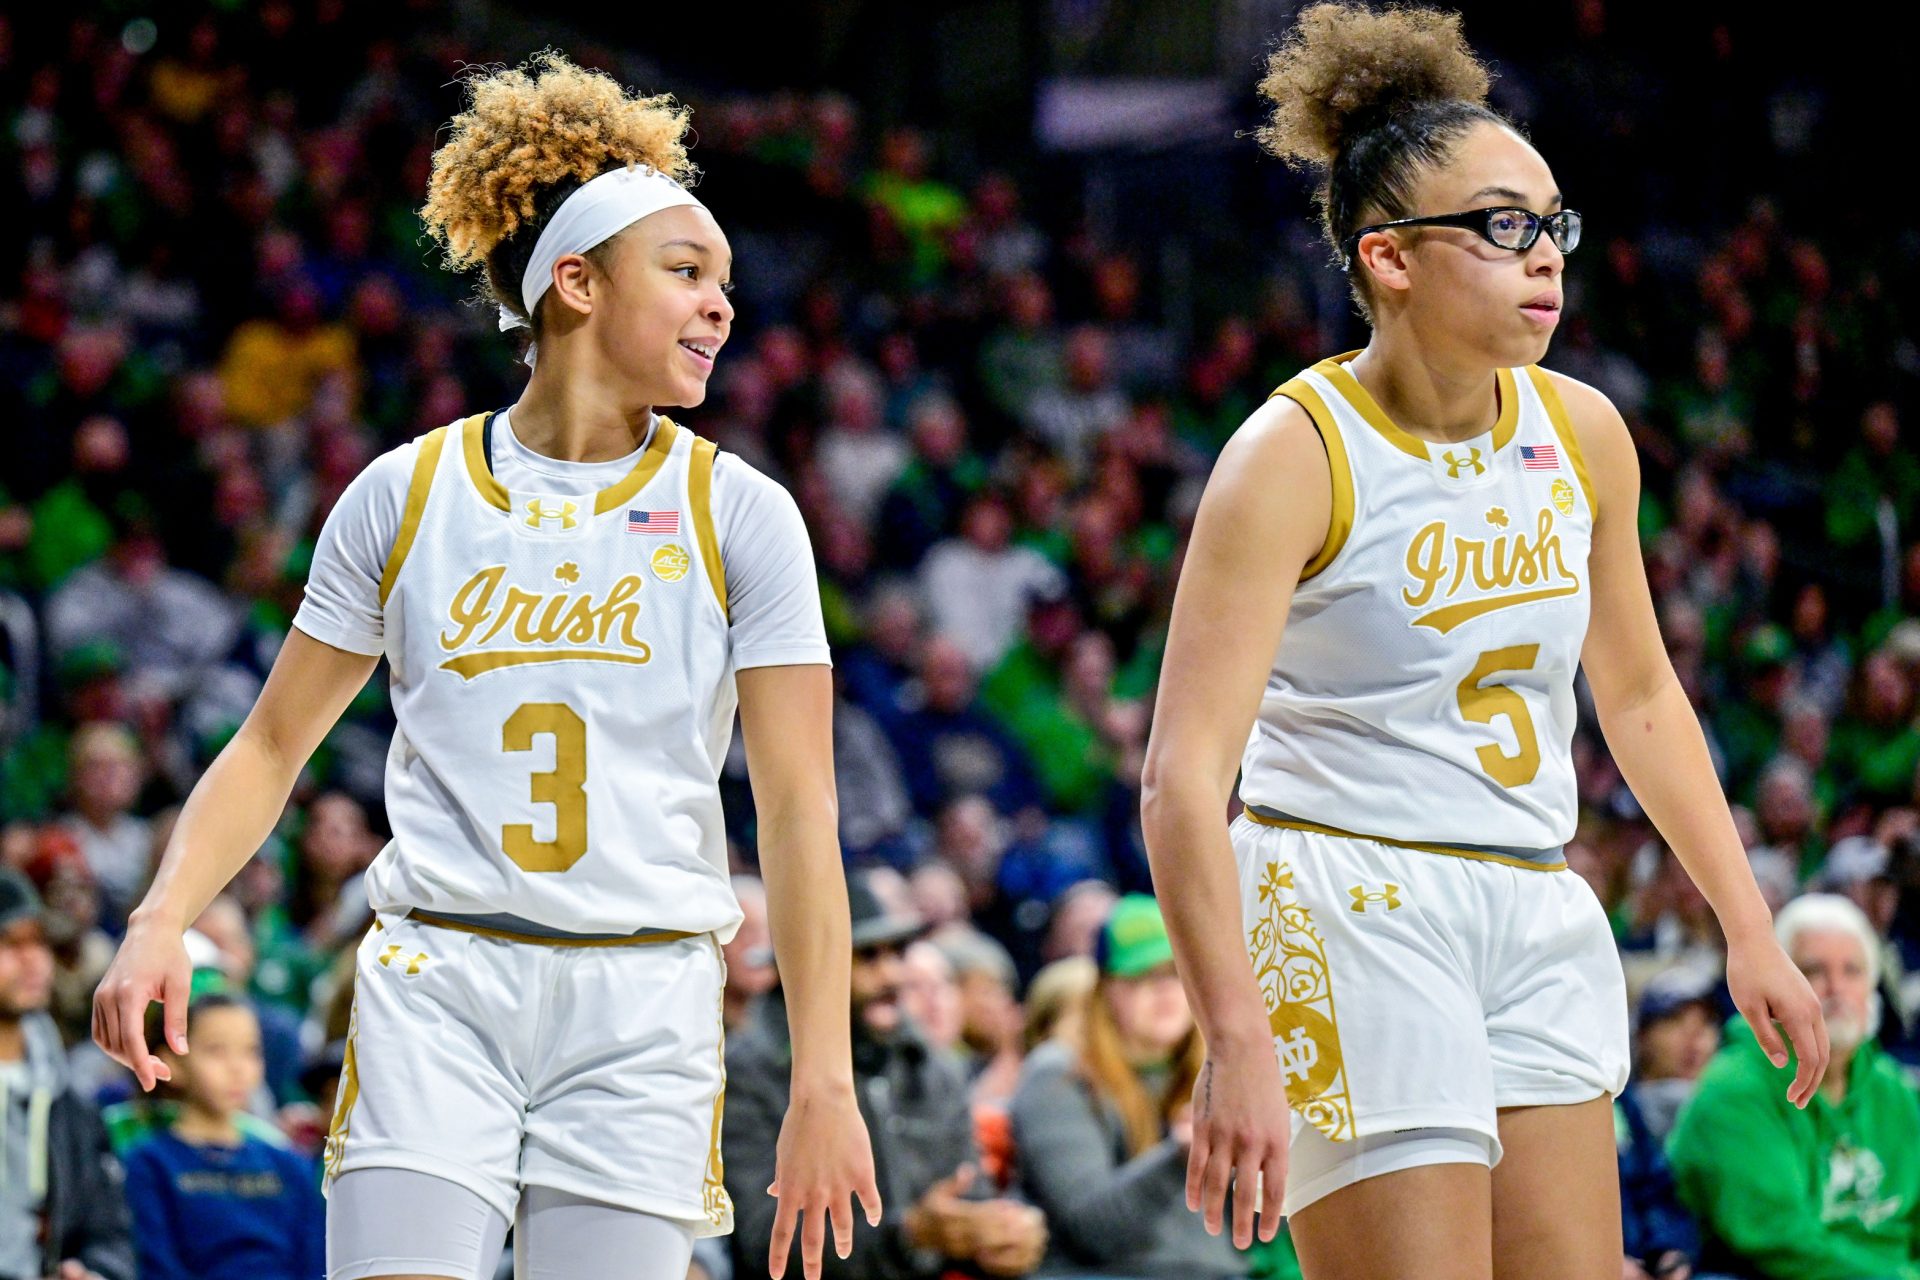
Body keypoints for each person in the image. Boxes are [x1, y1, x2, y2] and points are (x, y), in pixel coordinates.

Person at [90, 51, 877, 1280]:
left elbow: (798, 810)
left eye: (725, 281)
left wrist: (825, 1076)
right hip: (438, 976)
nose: (724, 306)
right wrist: (158, 917)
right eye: (686, 272)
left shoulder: (744, 514)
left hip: (643, 996)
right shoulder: (405, 494)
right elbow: (270, 744)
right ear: (573, 283)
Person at [1136, 6, 1826, 1279]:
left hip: (1531, 894)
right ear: (1388, 258)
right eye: (1503, 226)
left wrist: (1749, 923)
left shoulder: (1584, 430)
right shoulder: (1293, 454)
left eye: (1553, 223)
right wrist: (1233, 1031)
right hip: (1346, 895)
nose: (1545, 257)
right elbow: (1181, 776)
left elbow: (1641, 693)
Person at [723, 871, 1047, 1280]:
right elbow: (764, 1243)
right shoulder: (750, 1073)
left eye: (897, 953)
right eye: (867, 956)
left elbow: (969, 1193)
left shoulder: (929, 1063)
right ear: (806, 969)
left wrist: (1000, 1233)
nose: (893, 975)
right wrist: (911, 1236)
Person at [1667, 895, 1920, 1278]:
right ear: (1775, 986)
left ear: (1872, 990)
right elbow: (1781, 1242)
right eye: (1814, 971)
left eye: (1852, 971)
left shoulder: (1895, 1091)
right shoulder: (1733, 1090)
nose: (1836, 988)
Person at [1009, 893, 1243, 1279]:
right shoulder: (1059, 1075)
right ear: (1105, 990)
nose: (1165, 989)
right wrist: (1182, 1154)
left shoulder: (1218, 1074)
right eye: (1141, 976)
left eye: (1177, 972)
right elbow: (1091, 1229)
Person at [122, 993, 325, 1279]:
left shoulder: (290, 1166)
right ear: (172, 1063)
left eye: (251, 1051)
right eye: (217, 1051)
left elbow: (315, 1263)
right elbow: (157, 1265)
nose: (237, 1068)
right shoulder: (151, 1164)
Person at [0, 867, 134, 1280]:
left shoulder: (70, 1106)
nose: (34, 959)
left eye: (40, 942)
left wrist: (92, 1271)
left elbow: (110, 1236)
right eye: (10, 943)